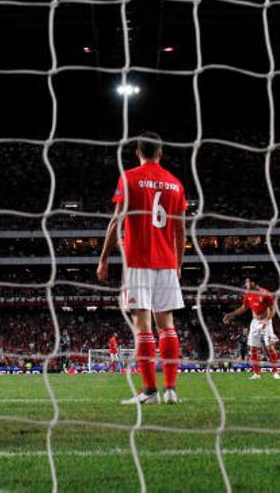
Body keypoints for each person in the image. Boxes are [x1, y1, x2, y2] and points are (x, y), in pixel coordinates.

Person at [97, 131, 186, 405]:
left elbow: (116, 222)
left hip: (138, 260)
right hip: (167, 262)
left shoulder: (129, 178)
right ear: (160, 153)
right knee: (167, 325)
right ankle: (170, 390)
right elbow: (181, 230)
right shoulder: (175, 184)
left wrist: (104, 258)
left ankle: (149, 392)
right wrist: (178, 263)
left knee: (142, 325)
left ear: (137, 152)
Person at [223, 278, 280, 380]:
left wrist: (267, 320)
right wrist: (231, 315)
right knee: (253, 349)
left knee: (270, 348)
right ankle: (256, 374)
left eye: (248, 282)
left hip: (266, 323)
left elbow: (273, 309)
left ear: (254, 282)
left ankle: (275, 372)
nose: (246, 284)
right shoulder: (248, 294)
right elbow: (244, 308)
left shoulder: (265, 293)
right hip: (254, 323)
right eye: (245, 282)